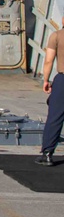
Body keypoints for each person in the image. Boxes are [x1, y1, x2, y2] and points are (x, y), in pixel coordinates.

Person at [37, 27, 64, 164]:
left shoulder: (57, 35)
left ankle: (47, 153)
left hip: (63, 79)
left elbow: (49, 60)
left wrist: (46, 80)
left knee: (55, 117)